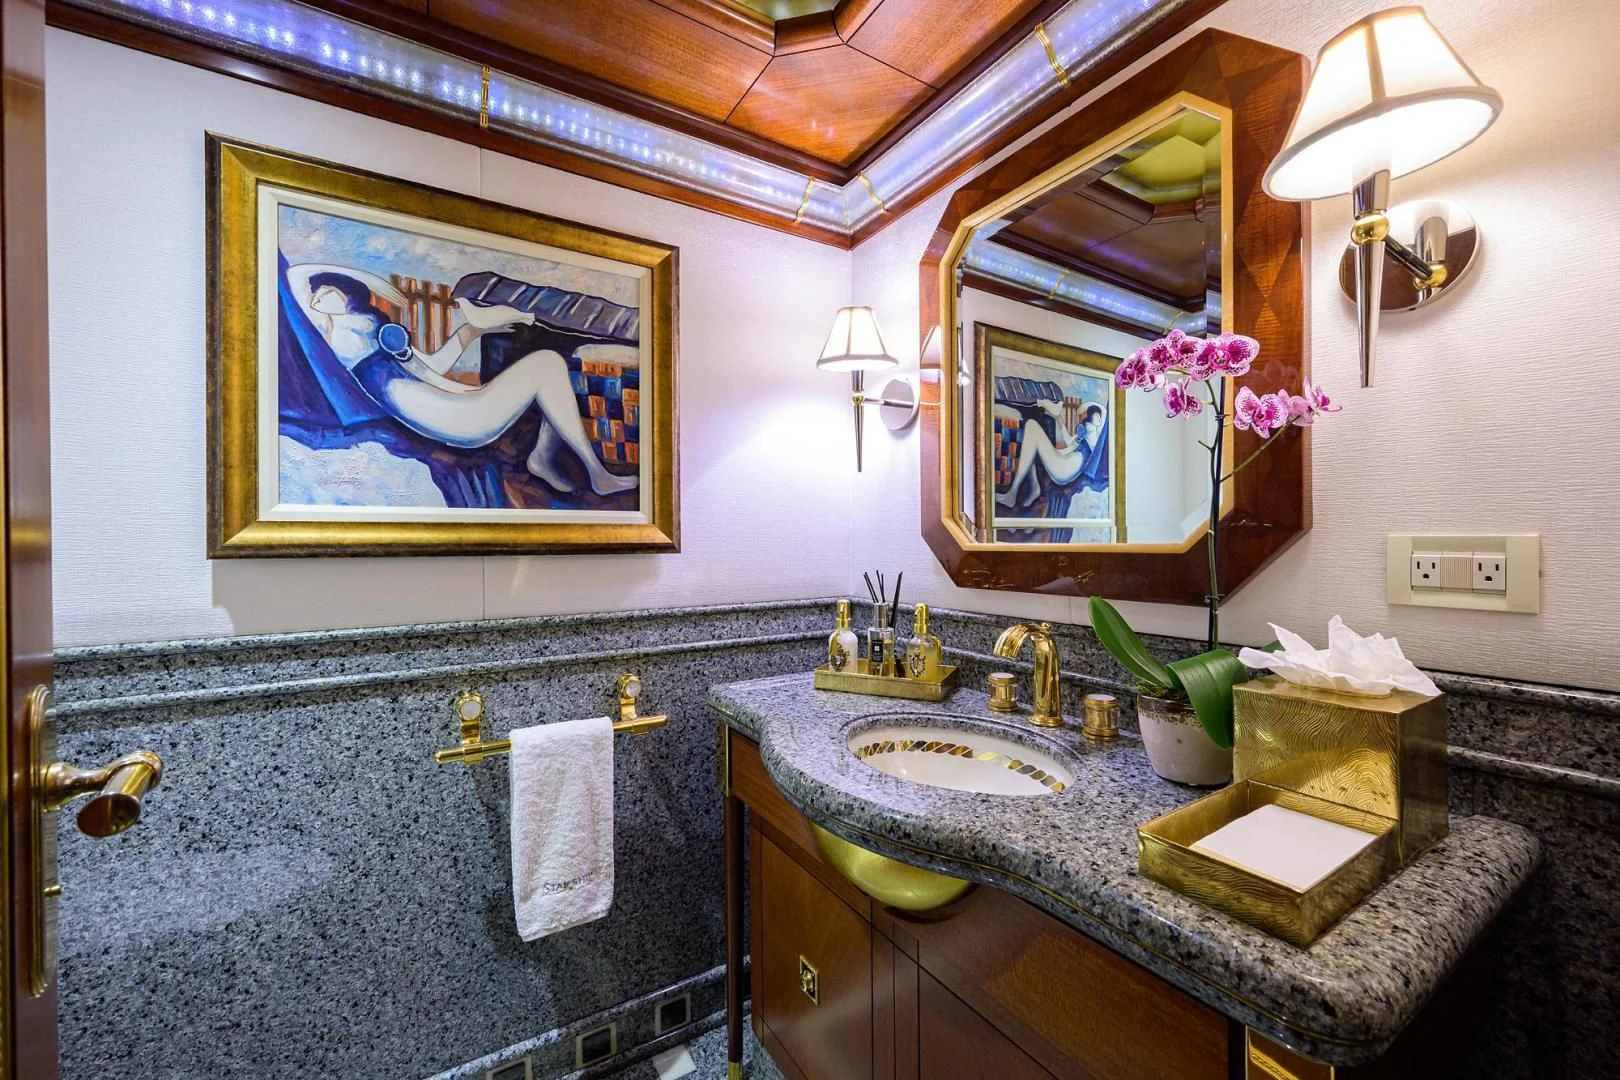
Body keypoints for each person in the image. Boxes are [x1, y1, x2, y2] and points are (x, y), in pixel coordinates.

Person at [287, 263, 637, 497]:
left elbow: (430, 368)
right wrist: (337, 272)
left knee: (550, 363)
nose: (319, 296)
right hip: (448, 421)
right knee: (548, 364)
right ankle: (594, 473)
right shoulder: (327, 333)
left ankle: (547, 460)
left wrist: (470, 331)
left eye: (328, 289)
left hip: (446, 412)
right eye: (317, 293)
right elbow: (293, 279)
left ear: (347, 295)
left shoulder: (374, 329)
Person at [996, 400, 1107, 510]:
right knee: (1031, 439)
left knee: (1031, 425)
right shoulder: (1086, 434)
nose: (1083, 420)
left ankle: (1013, 494)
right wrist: (1058, 417)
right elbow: (1069, 442)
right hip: (1064, 466)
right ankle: (1033, 488)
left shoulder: (1095, 437)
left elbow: (1092, 435)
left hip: (1064, 470)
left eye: (1085, 416)